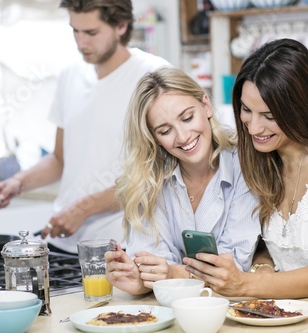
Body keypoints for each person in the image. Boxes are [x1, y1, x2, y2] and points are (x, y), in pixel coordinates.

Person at [183, 38, 308, 297]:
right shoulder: (263, 159)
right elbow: (274, 245)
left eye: (269, 116)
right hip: (301, 313)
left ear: (300, 109)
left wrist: (245, 283)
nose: (253, 128)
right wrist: (262, 267)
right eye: (246, 110)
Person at [0, 0, 171, 254]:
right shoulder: (69, 76)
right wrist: (19, 182)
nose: (80, 43)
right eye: (75, 30)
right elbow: (59, 159)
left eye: (91, 33)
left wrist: (83, 209)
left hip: (122, 246)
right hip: (63, 239)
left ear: (121, 26)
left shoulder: (154, 75)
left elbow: (159, 172)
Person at [105, 67, 261, 295]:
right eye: (165, 130)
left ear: (206, 105)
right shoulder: (147, 180)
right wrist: (137, 279)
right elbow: (149, 261)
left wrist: (174, 274)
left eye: (187, 118)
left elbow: (235, 266)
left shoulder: (245, 165)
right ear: (154, 138)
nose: (183, 136)